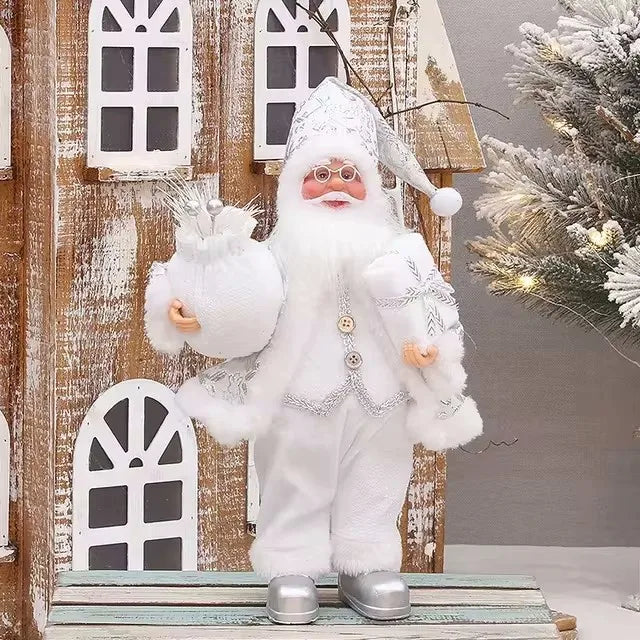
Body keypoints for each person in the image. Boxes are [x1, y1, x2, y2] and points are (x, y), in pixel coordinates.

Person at [145, 77, 482, 625]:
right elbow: (234, 294)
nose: (335, 185)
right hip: (300, 393)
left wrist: (430, 347)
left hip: (381, 395)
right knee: (295, 475)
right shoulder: (275, 252)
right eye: (320, 174)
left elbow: (433, 302)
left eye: (350, 174)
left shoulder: (399, 250)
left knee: (378, 475)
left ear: (372, 185)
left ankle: (365, 561)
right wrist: (190, 309)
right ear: (294, 182)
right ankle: (292, 564)